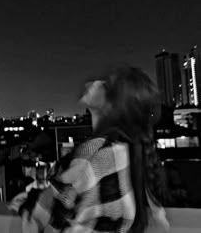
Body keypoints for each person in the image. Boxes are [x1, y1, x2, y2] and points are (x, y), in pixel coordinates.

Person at [20, 66, 170, 233]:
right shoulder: (126, 150)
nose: (96, 82)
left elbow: (47, 220)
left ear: (112, 105)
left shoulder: (95, 152)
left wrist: (31, 207)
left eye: (106, 85)